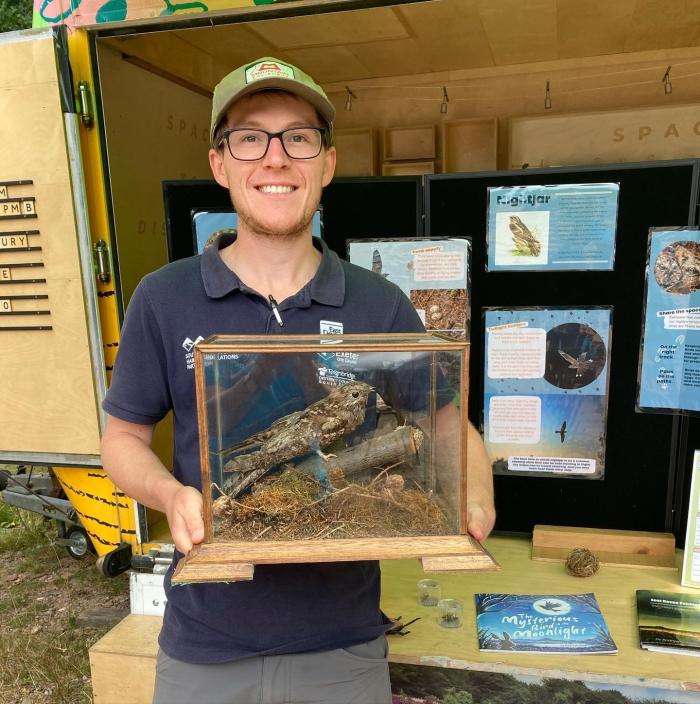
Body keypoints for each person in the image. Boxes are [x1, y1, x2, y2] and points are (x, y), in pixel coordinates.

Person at [100, 57, 495, 704]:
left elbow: (447, 421)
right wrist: (172, 496)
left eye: (299, 138)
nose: (275, 159)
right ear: (220, 163)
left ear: (327, 165)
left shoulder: (379, 304)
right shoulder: (162, 298)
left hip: (340, 649)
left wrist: (473, 492)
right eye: (250, 137)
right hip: (204, 644)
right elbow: (122, 437)